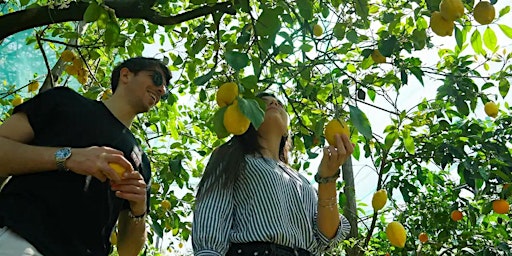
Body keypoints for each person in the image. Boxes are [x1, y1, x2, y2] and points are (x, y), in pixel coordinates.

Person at [0, 57, 172, 256]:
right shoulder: (64, 101)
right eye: (157, 79)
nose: (161, 90)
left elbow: (128, 250)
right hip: (21, 241)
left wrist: (139, 209)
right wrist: (68, 158)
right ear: (126, 75)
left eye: (165, 91)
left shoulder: (142, 162)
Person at [192, 92, 354, 256]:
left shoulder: (301, 181)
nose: (274, 104)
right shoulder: (233, 157)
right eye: (263, 102)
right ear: (248, 117)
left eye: (279, 103)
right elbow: (212, 213)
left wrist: (328, 178)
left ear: (286, 131)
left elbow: (326, 236)